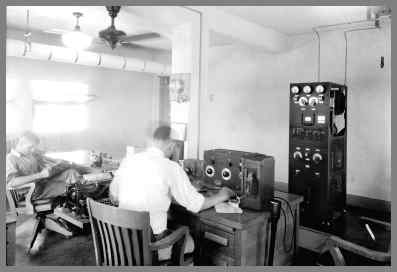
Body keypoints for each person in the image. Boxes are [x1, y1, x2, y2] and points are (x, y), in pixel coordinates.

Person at [110, 125, 235, 261]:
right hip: (150, 247)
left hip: (120, 240)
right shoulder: (171, 168)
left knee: (173, 220)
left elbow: (113, 197)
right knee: (194, 238)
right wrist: (224, 194)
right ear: (171, 145)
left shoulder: (129, 160)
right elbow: (198, 205)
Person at [6, 131, 89, 202]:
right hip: (32, 192)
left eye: (34, 147)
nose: (33, 150)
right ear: (20, 144)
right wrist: (40, 175)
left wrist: (50, 167)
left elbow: (43, 164)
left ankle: (84, 201)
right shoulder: (10, 159)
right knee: (72, 188)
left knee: (71, 172)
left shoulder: (29, 154)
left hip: (43, 183)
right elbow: (11, 182)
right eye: (30, 147)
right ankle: (85, 205)